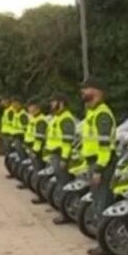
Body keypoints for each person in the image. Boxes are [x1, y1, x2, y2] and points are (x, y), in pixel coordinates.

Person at [79, 77, 117, 255]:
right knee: (97, 204)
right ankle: (102, 242)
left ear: (97, 92)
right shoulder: (92, 113)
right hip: (93, 163)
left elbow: (104, 146)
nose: (82, 93)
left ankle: (105, 245)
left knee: (103, 204)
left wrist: (99, 169)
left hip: (101, 164)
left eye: (86, 89)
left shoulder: (102, 114)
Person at [46, 93, 77, 224]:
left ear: (61, 103)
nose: (52, 104)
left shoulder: (66, 119)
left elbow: (67, 141)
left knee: (64, 185)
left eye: (54, 102)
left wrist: (64, 158)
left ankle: (66, 214)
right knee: (60, 184)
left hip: (61, 155)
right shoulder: (57, 118)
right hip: (55, 154)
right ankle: (63, 210)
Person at [22, 99, 49, 201]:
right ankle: (39, 193)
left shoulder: (40, 120)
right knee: (36, 171)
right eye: (29, 107)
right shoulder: (33, 119)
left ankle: (41, 195)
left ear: (37, 108)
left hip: (38, 150)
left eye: (31, 107)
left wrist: (35, 151)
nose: (29, 109)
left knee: (39, 171)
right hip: (32, 147)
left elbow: (40, 138)